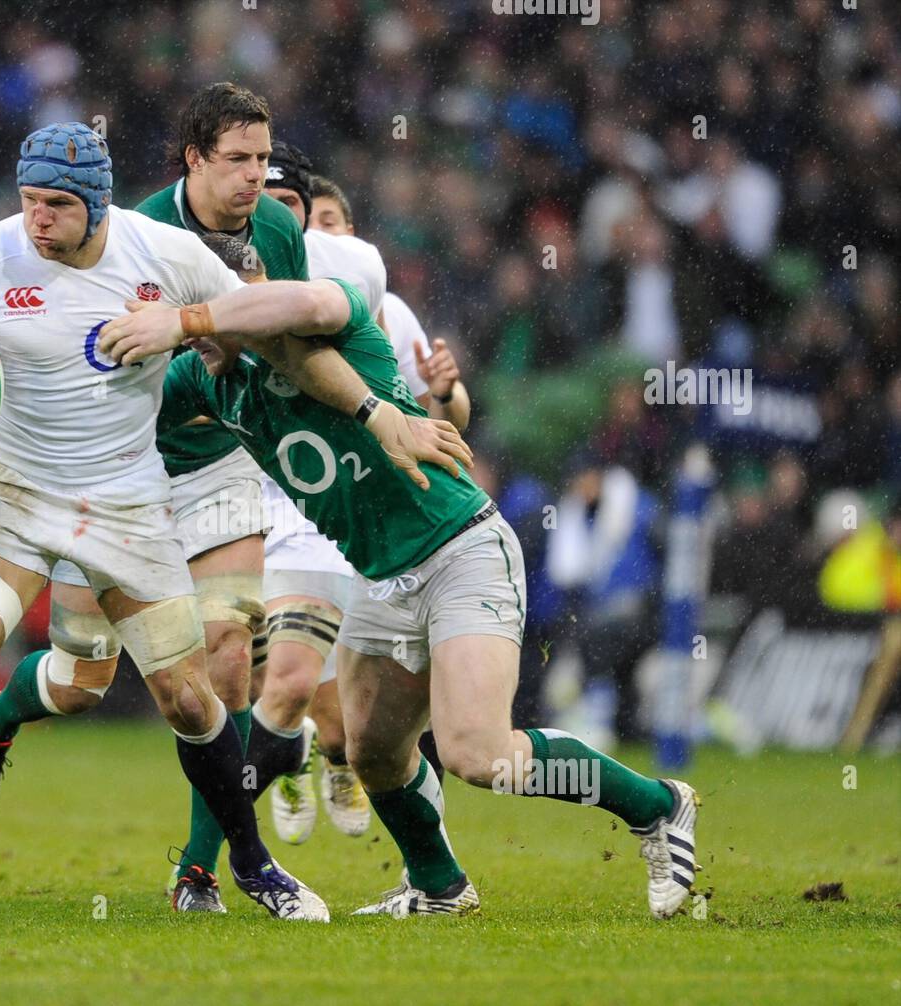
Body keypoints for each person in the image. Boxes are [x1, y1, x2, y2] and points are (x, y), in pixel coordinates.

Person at [0, 119, 472, 918]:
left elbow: (304, 346)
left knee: (227, 658)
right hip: (123, 469)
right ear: (195, 159)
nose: (256, 182)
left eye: (267, 166)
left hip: (222, 468)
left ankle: (202, 869)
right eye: (241, 161)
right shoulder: (130, 235)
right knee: (81, 676)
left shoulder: (320, 249)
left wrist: (378, 412)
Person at [101, 235, 700, 919]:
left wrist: (188, 319)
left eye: (212, 309)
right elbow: (111, 409)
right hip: (379, 575)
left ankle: (659, 805)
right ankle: (440, 886)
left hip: (459, 549)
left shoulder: (330, 323)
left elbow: (300, 300)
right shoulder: (201, 377)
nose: (198, 329)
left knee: (478, 753)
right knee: (374, 752)